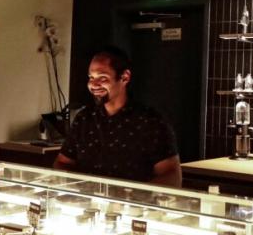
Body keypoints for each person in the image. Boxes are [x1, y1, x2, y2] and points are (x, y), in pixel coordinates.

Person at [54, 46, 182, 187]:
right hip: (89, 205)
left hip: (133, 206)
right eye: (91, 77)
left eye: (102, 78)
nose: (93, 84)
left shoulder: (151, 121)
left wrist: (135, 196)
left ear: (125, 77)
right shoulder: (84, 118)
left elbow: (172, 176)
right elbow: (62, 162)